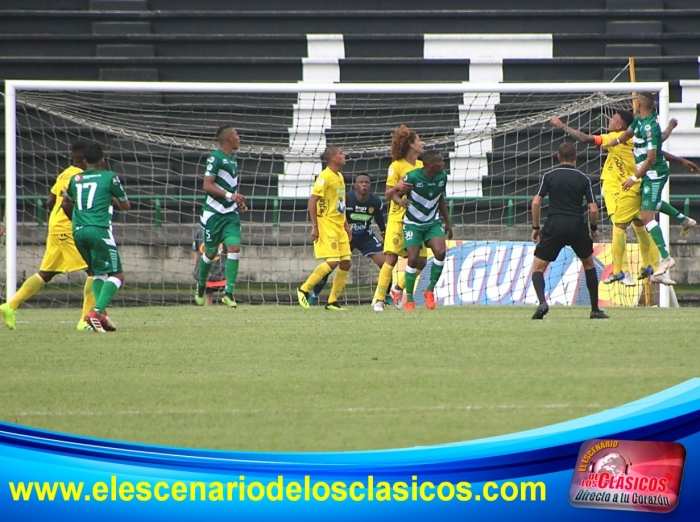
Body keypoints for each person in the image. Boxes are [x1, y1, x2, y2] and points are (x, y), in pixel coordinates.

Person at [551, 111, 698, 286]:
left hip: (618, 188)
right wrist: (679, 156)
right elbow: (657, 149)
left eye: (613, 119)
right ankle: (650, 266)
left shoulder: (613, 137)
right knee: (641, 224)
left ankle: (621, 271)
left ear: (620, 126)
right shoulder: (638, 138)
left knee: (619, 227)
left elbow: (583, 138)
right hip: (637, 186)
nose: (610, 120)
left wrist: (562, 126)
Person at [1, 141, 97, 331]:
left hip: (55, 226)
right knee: (95, 271)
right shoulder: (81, 177)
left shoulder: (65, 173)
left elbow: (50, 201)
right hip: (68, 227)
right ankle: (86, 320)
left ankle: (10, 306)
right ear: (87, 160)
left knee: (46, 273)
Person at [607, 92, 697, 278]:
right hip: (648, 175)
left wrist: (633, 178)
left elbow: (652, 157)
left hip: (653, 174)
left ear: (640, 104)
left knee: (646, 217)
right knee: (647, 205)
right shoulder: (640, 120)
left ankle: (665, 257)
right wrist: (615, 140)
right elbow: (631, 133)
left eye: (635, 101)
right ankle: (684, 219)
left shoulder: (649, 126)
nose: (634, 103)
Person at [530, 142, 608, 320]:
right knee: (588, 264)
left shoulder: (549, 176)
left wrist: (536, 227)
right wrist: (593, 227)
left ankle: (542, 302)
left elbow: (535, 202)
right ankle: (595, 309)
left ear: (558, 157)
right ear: (576, 157)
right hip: (576, 225)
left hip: (555, 224)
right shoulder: (583, 178)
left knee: (538, 268)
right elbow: (594, 209)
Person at [61, 143, 130, 333]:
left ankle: (102, 315)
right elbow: (125, 206)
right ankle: (96, 312)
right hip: (99, 230)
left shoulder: (75, 179)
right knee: (117, 275)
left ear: (84, 162)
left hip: (78, 231)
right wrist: (111, 197)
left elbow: (65, 203)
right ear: (103, 161)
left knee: (97, 273)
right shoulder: (110, 177)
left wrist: (78, 221)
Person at [372, 125, 428, 312]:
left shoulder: (422, 166)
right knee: (391, 259)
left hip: (419, 219)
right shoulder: (395, 166)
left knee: (421, 262)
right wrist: (397, 189)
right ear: (411, 145)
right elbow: (387, 194)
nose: (422, 143)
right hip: (398, 218)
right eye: (419, 140)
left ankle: (398, 288)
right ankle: (379, 299)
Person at [308, 172, 386, 305]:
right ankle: (314, 295)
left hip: (365, 236)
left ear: (370, 185)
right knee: (331, 264)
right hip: (347, 236)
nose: (364, 185)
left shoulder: (376, 201)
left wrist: (383, 230)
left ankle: (384, 295)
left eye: (367, 183)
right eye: (361, 182)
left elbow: (379, 216)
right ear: (355, 185)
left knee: (385, 264)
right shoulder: (346, 198)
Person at [392, 150, 453, 311]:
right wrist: (400, 202)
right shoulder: (412, 177)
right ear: (430, 164)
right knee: (413, 259)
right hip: (412, 223)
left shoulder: (442, 177)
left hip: (432, 223)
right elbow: (394, 195)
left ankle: (430, 290)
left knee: (440, 252)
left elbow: (440, 198)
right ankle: (409, 299)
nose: (443, 164)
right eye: (440, 162)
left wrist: (448, 222)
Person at [195, 125, 248, 308]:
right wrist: (229, 196)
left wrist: (237, 199)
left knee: (234, 247)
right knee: (210, 254)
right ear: (228, 139)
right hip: (213, 215)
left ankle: (229, 293)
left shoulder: (233, 159)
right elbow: (207, 185)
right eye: (236, 134)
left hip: (230, 214)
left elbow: (229, 187)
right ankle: (201, 284)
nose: (239, 137)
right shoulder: (215, 158)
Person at [296, 146, 352, 311]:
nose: (344, 155)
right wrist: (315, 226)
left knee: (346, 263)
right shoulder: (324, 177)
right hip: (326, 223)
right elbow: (312, 201)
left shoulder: (340, 177)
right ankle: (304, 289)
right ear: (333, 158)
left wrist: (346, 225)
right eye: (341, 153)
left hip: (339, 224)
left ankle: (332, 301)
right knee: (333, 261)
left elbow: (340, 204)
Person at [192, 228, 226, 306]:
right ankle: (208, 313)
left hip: (221, 268)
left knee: (227, 293)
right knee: (208, 294)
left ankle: (231, 313)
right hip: (207, 269)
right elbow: (196, 252)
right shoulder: (199, 232)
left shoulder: (223, 229)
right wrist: (195, 267)